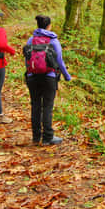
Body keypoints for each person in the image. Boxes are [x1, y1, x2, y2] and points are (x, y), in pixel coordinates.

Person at [25, 15, 71, 145]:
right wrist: (67, 76)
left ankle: (36, 137)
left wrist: (29, 73)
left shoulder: (31, 40)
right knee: (47, 106)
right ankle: (47, 137)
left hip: (32, 77)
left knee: (35, 106)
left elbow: (27, 59)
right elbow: (59, 61)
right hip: (49, 77)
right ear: (49, 26)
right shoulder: (53, 41)